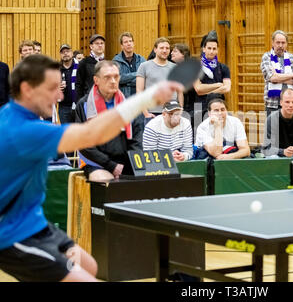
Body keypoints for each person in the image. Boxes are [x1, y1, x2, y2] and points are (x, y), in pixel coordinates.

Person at [0, 54, 181, 282]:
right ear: (27, 89)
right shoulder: (24, 131)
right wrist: (146, 98)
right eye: (52, 88)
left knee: (90, 266)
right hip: (13, 236)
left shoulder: (13, 115)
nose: (59, 95)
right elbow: (91, 135)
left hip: (35, 224)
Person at [75, 61, 142, 181]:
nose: (113, 81)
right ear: (96, 80)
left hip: (125, 162)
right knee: (107, 181)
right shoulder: (84, 105)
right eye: (107, 77)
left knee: (147, 180)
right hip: (96, 163)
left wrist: (128, 165)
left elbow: (137, 139)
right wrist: (111, 166)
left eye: (116, 77)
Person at [137, 37, 178, 125]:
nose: (165, 50)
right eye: (161, 48)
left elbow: (179, 92)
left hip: (172, 112)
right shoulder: (144, 66)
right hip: (152, 113)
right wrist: (146, 113)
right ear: (155, 49)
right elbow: (139, 91)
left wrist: (179, 111)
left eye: (167, 48)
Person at [261, 30, 293, 117]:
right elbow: (272, 78)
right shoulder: (266, 57)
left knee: (291, 130)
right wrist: (292, 75)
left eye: (283, 43)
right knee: (274, 130)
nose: (280, 45)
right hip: (273, 103)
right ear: (272, 43)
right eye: (278, 42)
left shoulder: (292, 58)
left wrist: (278, 77)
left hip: (291, 103)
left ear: (286, 44)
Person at [193, 31, 231, 119]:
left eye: (214, 49)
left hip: (219, 106)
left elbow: (226, 88)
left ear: (217, 50)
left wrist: (206, 91)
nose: (211, 51)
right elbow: (198, 89)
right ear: (204, 49)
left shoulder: (223, 67)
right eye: (209, 48)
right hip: (200, 107)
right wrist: (217, 85)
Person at [112, 32, 146, 98]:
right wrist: (137, 74)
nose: (129, 44)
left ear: (133, 43)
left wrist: (127, 83)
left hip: (140, 98)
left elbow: (145, 77)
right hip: (124, 99)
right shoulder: (116, 61)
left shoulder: (141, 59)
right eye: (126, 42)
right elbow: (118, 78)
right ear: (121, 46)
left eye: (130, 41)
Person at [75, 34, 106, 99]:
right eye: (97, 43)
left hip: (104, 101)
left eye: (102, 43)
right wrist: (80, 103)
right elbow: (79, 85)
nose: (100, 45)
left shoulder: (107, 63)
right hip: (88, 101)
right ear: (91, 46)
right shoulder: (84, 63)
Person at [58, 44, 79, 123]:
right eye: (63, 52)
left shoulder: (79, 67)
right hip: (63, 107)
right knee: (65, 132)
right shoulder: (57, 69)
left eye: (67, 51)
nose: (65, 53)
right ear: (60, 55)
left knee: (79, 132)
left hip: (77, 105)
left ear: (72, 53)